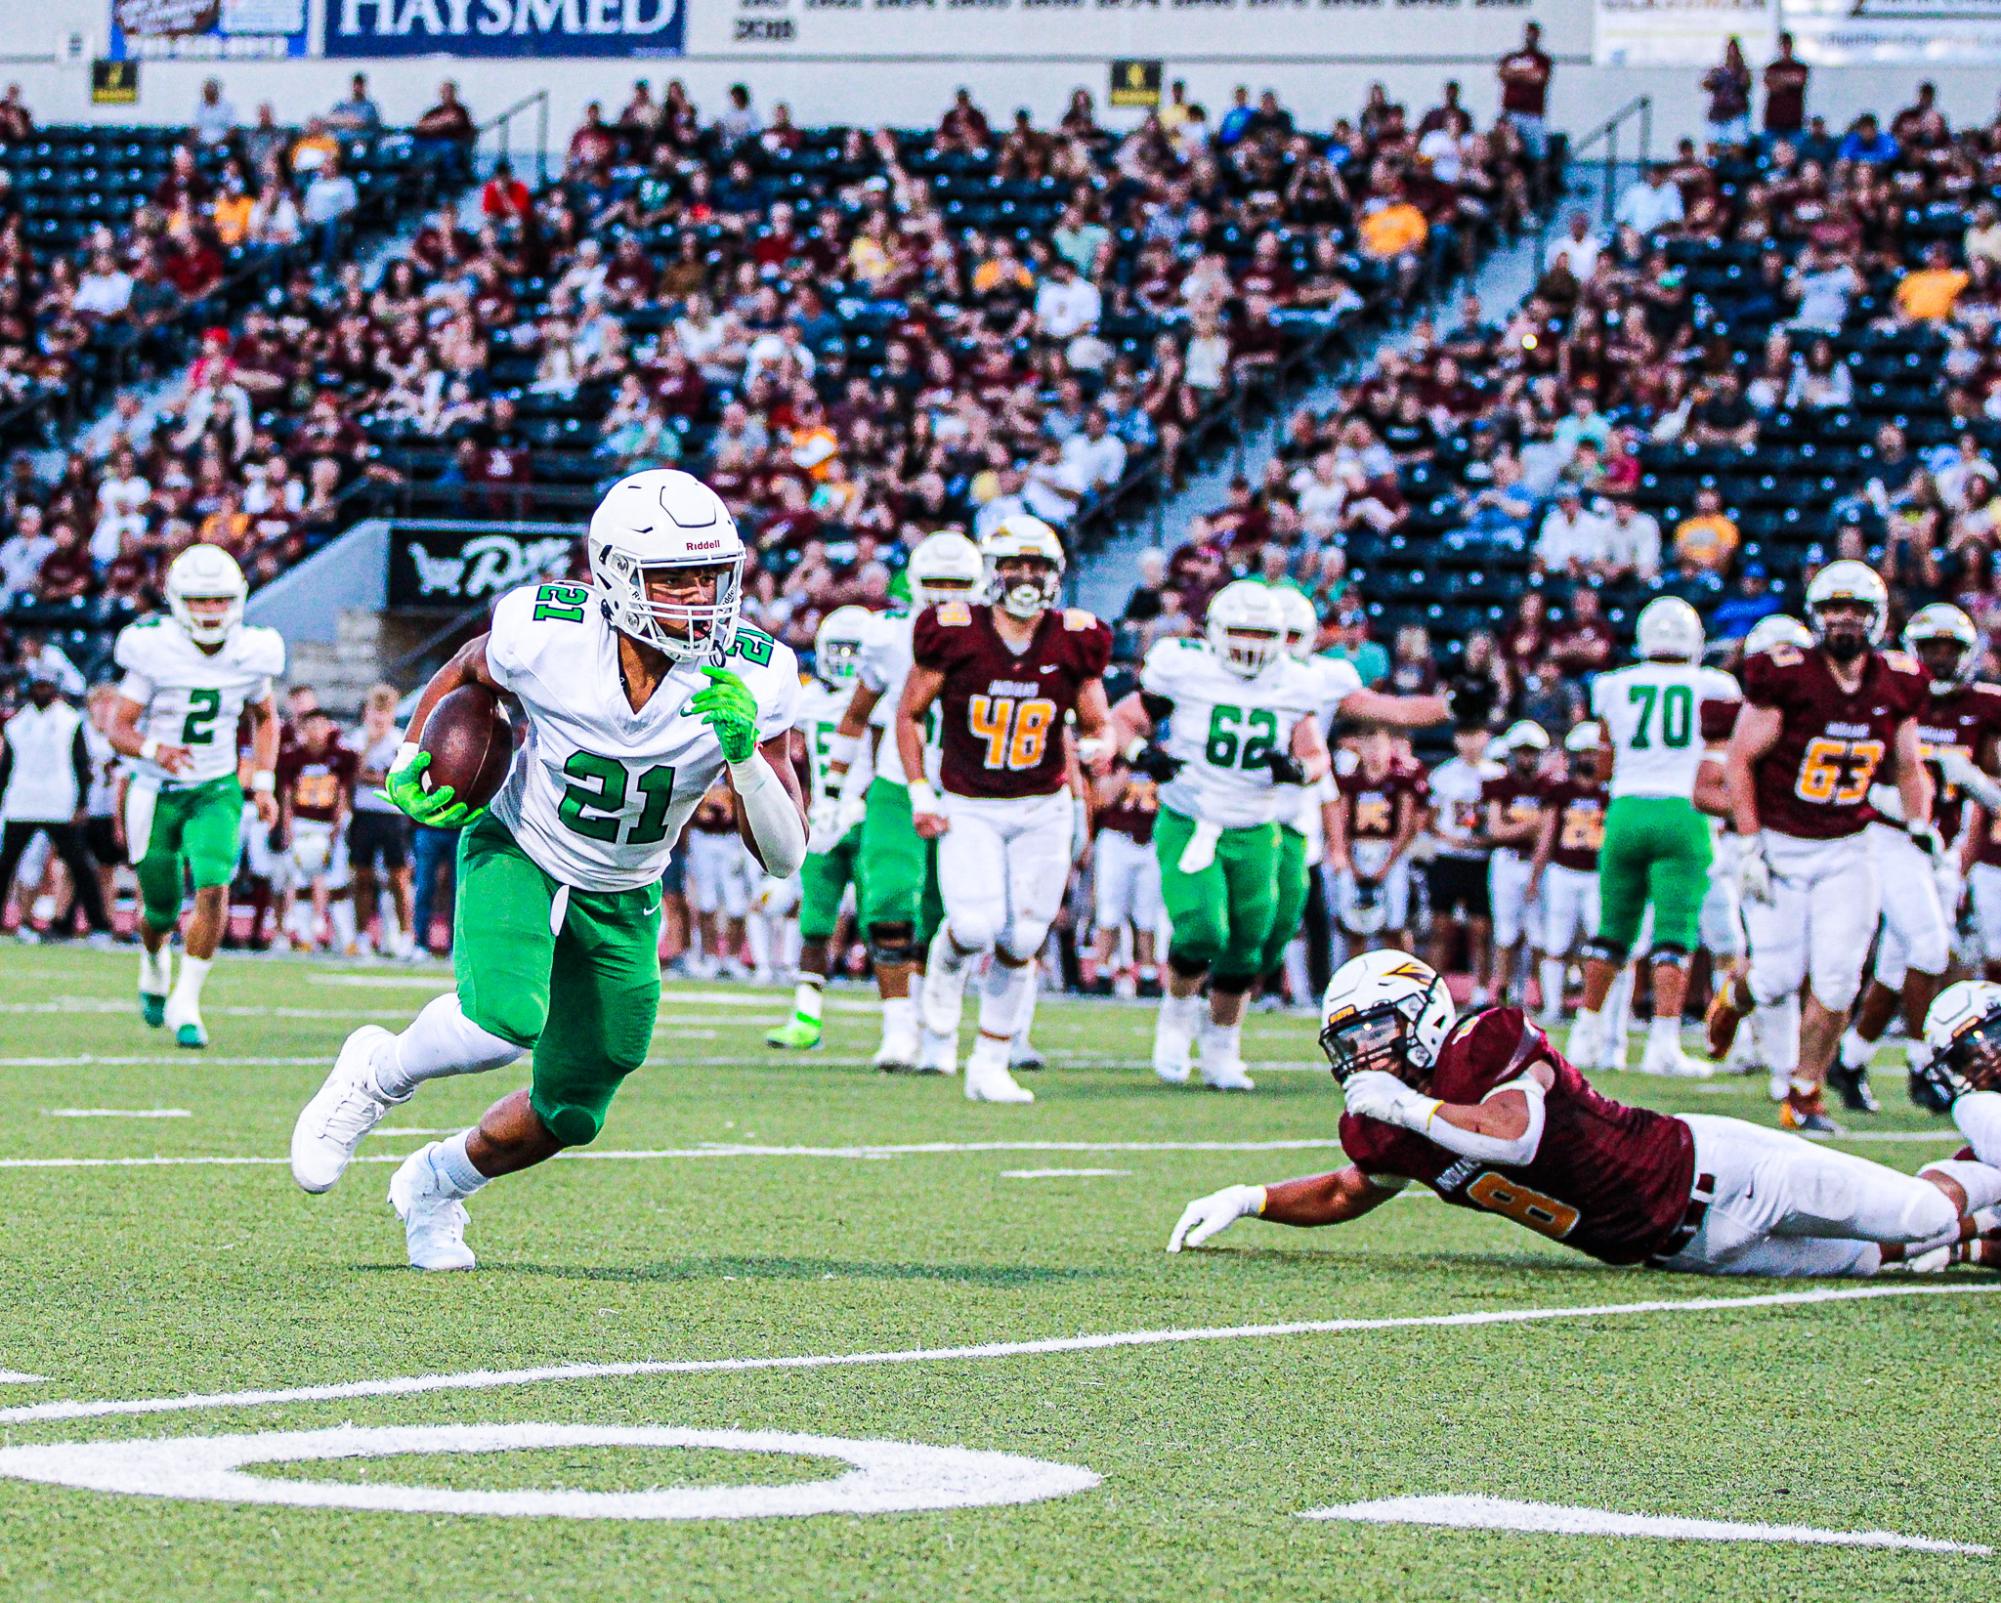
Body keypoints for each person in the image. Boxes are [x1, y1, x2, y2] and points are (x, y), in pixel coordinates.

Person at [292, 471, 807, 1272]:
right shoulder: (546, 630)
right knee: (503, 1018)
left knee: (573, 1112)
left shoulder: (759, 673)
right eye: (674, 578)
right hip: (522, 845)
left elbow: (784, 853)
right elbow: (468, 669)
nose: (700, 598)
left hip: (629, 884)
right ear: (615, 575)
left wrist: (744, 755)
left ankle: (435, 1182)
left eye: (711, 575)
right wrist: (410, 753)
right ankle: (377, 1072)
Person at [1168, 951, 2000, 1277]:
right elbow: (1354, 1189)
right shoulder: (1385, 1120)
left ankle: (1984, 1152)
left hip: (1732, 1172)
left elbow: (1513, 1133)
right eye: (1348, 1043)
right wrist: (1253, 1199)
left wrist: (1414, 1103)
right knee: (1896, 1261)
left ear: (1420, 1013)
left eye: (1375, 1033)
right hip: (1684, 1252)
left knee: (1924, 1216)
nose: (1363, 1058)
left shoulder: (1485, 1035)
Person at [1708, 561, 1932, 1134]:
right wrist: (1752, 842)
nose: (1844, 620)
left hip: (1849, 846)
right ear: (1815, 615)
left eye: (1856, 609)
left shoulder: (1898, 680)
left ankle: (1804, 1091)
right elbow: (1739, 760)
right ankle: (1736, 995)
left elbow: (1909, 766)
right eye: (1834, 608)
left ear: (1876, 618)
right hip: (1781, 844)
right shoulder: (1786, 673)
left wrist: (1920, 822)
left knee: (1837, 978)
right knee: (1777, 979)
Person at [899, 516, 1112, 1102]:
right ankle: (942, 980)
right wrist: (919, 789)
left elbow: (1098, 720)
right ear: (991, 572)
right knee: (972, 926)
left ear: (1057, 574)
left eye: (1038, 566)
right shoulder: (953, 631)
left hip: (1042, 805)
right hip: (969, 802)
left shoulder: (1075, 636)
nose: (1025, 577)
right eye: (1014, 565)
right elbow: (910, 713)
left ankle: (990, 1062)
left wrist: (1100, 746)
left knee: (1022, 939)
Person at [1111, 582, 1327, 1090]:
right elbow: (1123, 720)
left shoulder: (1292, 682)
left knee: (1250, 945)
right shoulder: (1187, 670)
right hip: (1193, 817)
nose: (1250, 643)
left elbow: (1317, 757)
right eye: (1240, 631)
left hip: (1257, 825)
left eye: (1261, 633)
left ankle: (1222, 1046)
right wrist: (1143, 755)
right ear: (1214, 632)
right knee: (1202, 928)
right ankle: (1177, 1013)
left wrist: (1296, 769)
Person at [103, 546, 284, 1047]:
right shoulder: (152, 647)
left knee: (213, 886)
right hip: (155, 790)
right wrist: (155, 748)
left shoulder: (253, 651)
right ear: (178, 600)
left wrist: (264, 782)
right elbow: (118, 727)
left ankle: (187, 1000)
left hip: (215, 787)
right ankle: (154, 960)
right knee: (160, 909)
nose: (210, 611)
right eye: (200, 600)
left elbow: (265, 717)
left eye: (220, 600)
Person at [825, 532, 987, 1073]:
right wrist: (833, 788)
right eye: (935, 585)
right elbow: (854, 716)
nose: (945, 597)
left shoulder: (999, 637)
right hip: (899, 784)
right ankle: (898, 1025)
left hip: (972, 790)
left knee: (952, 914)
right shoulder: (889, 636)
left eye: (958, 586)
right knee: (889, 898)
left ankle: (939, 1026)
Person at [1836, 605, 2001, 1110]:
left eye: (1951, 649)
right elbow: (1859, 770)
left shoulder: (1983, 705)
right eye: (1932, 649)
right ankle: (1921, 1065)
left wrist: (1974, 781)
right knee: (1930, 949)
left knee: (1895, 967)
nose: (1941, 659)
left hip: (1941, 847)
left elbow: (1993, 787)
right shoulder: (1892, 695)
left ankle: (1849, 1060)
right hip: (1891, 838)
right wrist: (1903, 808)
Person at [1570, 598, 1741, 1080]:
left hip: (1625, 809)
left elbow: (1603, 765)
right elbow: (1718, 763)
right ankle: (1663, 1042)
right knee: (1673, 935)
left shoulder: (1613, 685)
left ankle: (1587, 1031)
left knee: (1611, 931)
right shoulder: (1714, 685)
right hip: (1683, 811)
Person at [768, 605, 875, 1051]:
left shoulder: (881, 698)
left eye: (856, 651)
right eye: (840, 650)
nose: (847, 660)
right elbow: (792, 753)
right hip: (827, 815)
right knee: (815, 916)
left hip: (872, 816)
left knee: (887, 917)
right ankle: (806, 1015)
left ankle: (909, 1017)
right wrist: (808, 801)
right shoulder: (807, 697)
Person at [0, 667, 111, 941]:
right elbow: (6, 767)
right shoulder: (16, 723)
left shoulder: (70, 721)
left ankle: (99, 926)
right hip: (22, 802)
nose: (41, 691)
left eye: (46, 686)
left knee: (80, 867)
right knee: (6, 866)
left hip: (58, 803)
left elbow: (80, 763)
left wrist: (81, 802)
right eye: (37, 686)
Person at [1526, 724, 1607, 1034]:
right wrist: (1536, 874)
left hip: (1597, 874)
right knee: (1555, 942)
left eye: (1592, 752)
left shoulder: (1608, 792)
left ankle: (1598, 1008)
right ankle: (1552, 1006)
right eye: (1583, 752)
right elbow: (1547, 835)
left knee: (1600, 944)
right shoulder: (1560, 791)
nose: (1588, 758)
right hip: (1563, 870)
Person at [1425, 723, 1499, 1005]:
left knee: (1481, 930)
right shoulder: (1444, 774)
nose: (1471, 742)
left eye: (1476, 734)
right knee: (1441, 927)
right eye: (1466, 735)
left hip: (1481, 859)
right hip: (1449, 856)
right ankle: (1432, 990)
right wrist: (1450, 839)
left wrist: (1485, 839)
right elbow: (1429, 819)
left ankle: (1480, 992)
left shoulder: (1495, 773)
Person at [276, 706, 358, 954]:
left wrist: (338, 823)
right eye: (310, 726)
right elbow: (287, 794)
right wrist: (287, 825)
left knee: (338, 883)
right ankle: (304, 937)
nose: (316, 731)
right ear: (302, 730)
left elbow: (343, 792)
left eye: (321, 725)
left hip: (328, 825)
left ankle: (346, 939)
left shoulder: (341, 756)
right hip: (303, 824)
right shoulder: (293, 757)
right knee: (300, 882)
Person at [1484, 721, 1549, 1010]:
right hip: (1508, 860)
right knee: (1505, 932)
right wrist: (1536, 825)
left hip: (1540, 862)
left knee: (1538, 933)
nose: (1526, 758)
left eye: (1531, 752)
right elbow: (1495, 830)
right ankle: (1501, 992)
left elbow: (1548, 832)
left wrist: (1527, 828)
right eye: (1521, 751)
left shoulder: (1549, 787)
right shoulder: (1500, 785)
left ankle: (1537, 994)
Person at [349, 684, 416, 958]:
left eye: (384, 713)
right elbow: (352, 774)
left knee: (399, 877)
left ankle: (406, 935)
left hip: (392, 816)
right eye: (375, 712)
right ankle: (363, 935)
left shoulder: (401, 741)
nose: (379, 720)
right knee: (362, 877)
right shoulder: (356, 740)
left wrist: (376, 777)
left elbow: (398, 779)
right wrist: (369, 746)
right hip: (364, 814)